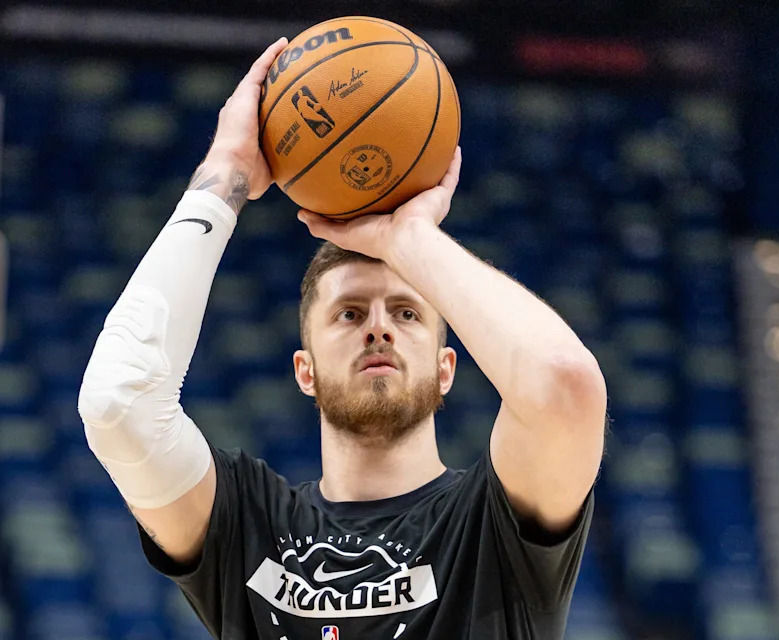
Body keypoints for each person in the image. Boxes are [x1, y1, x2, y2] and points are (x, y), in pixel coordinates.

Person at [78, 37, 607, 639]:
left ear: (446, 369)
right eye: (350, 314)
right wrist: (226, 171)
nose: (378, 325)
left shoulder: (491, 523)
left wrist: (409, 240)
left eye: (407, 314)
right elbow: (118, 402)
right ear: (304, 370)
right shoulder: (247, 523)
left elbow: (563, 384)